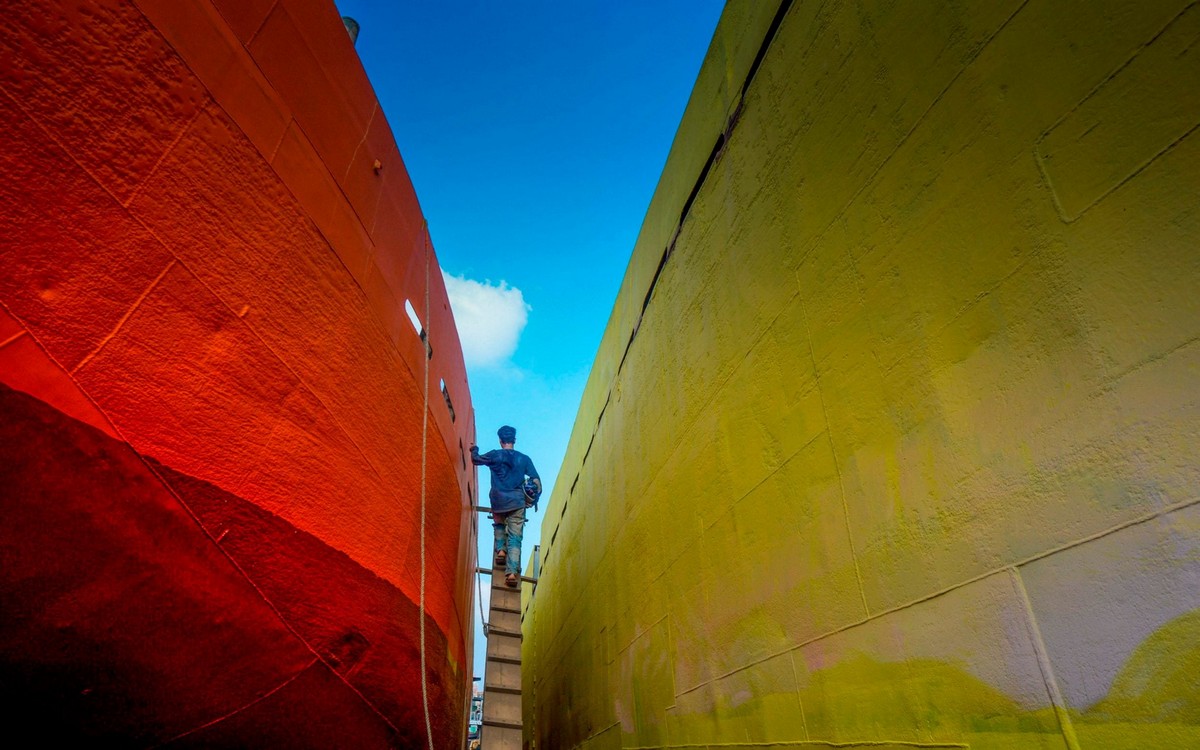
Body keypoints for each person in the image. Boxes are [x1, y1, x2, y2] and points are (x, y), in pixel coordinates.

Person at [471, 425, 540, 588]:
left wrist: (474, 449)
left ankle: (501, 551)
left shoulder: (494, 455)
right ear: (514, 440)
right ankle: (511, 574)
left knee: (499, 524)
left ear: (501, 441)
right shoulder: (524, 459)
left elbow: (476, 460)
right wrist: (532, 499)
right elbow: (536, 480)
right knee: (516, 538)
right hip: (517, 501)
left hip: (498, 500)